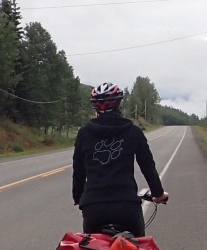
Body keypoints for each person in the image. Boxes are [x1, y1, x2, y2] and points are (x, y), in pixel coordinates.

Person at [72, 82, 169, 237]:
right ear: (119, 105)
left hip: (93, 206)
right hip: (126, 205)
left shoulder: (84, 133)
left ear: (96, 108)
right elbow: (147, 167)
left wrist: (78, 197)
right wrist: (158, 193)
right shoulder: (133, 131)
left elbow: (78, 171)